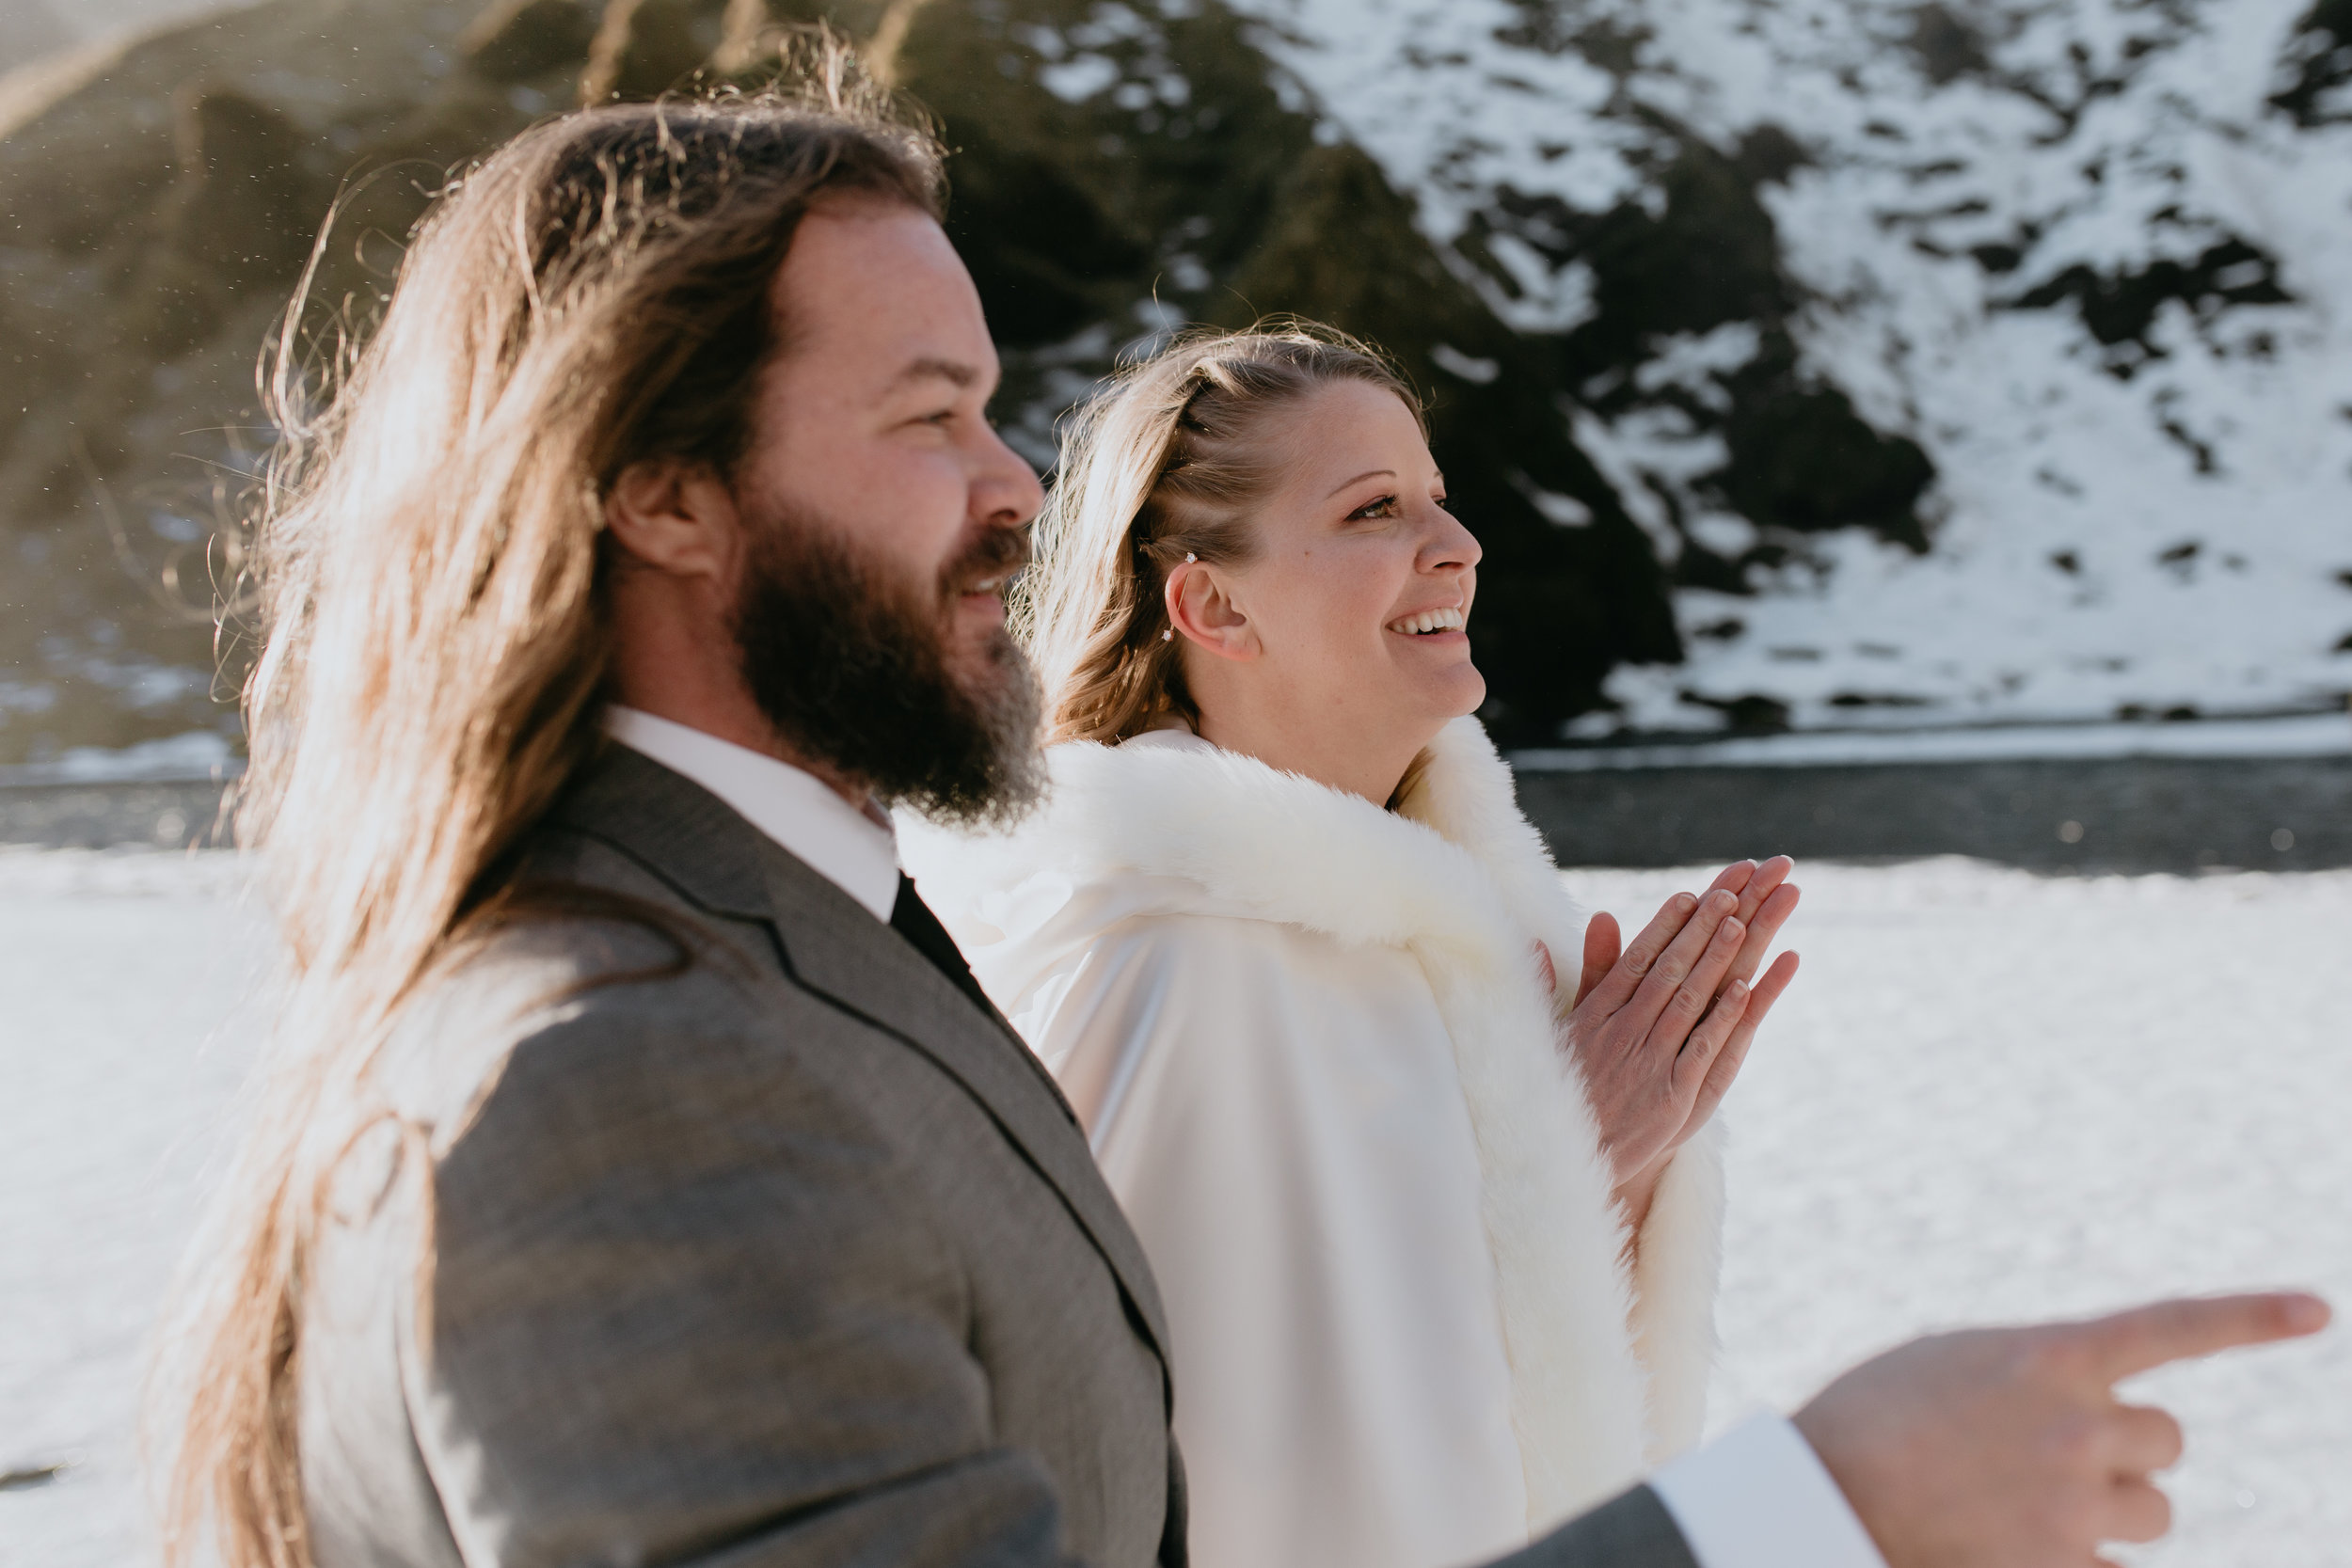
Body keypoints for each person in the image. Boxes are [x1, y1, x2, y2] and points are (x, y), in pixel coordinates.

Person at [151, 59, 2327, 1568]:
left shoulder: (796, 944)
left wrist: (1527, 1168)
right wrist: (1813, 1514)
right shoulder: (618, 1079)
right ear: (658, 491)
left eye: (997, 412)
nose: (1013, 491)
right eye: (926, 419)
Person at [898, 325, 1804, 1568]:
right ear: (1214, 602)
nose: (1458, 547)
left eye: (1438, 498)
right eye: (1377, 509)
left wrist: (1594, 1170)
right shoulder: (1154, 960)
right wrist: (1552, 1160)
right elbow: (1152, 1463)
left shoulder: (1469, 932)